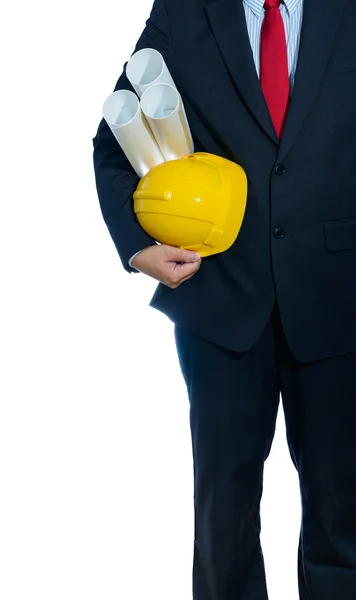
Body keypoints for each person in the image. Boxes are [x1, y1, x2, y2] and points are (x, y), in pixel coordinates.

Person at [92, 0, 356, 598]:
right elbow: (112, 143)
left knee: (345, 515)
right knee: (224, 519)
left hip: (340, 297)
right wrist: (138, 247)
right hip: (221, 301)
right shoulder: (185, 13)